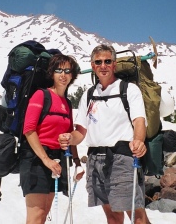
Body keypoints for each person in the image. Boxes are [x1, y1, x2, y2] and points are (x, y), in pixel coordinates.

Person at [59, 44, 151, 224]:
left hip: (122, 158)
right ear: (93, 66)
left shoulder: (129, 90)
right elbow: (81, 132)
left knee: (137, 217)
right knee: (112, 217)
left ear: (114, 64)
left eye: (107, 61)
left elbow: (139, 121)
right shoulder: (89, 94)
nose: (103, 65)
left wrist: (139, 141)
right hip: (95, 161)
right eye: (98, 62)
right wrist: (71, 138)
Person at [20, 54, 84, 224]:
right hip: (36, 160)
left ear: (72, 75)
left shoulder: (67, 103)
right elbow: (29, 130)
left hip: (56, 161)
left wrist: (77, 164)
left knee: (44, 213)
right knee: (36, 216)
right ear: (52, 73)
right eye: (58, 70)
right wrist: (46, 160)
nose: (63, 74)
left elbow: (70, 134)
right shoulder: (41, 95)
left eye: (67, 71)